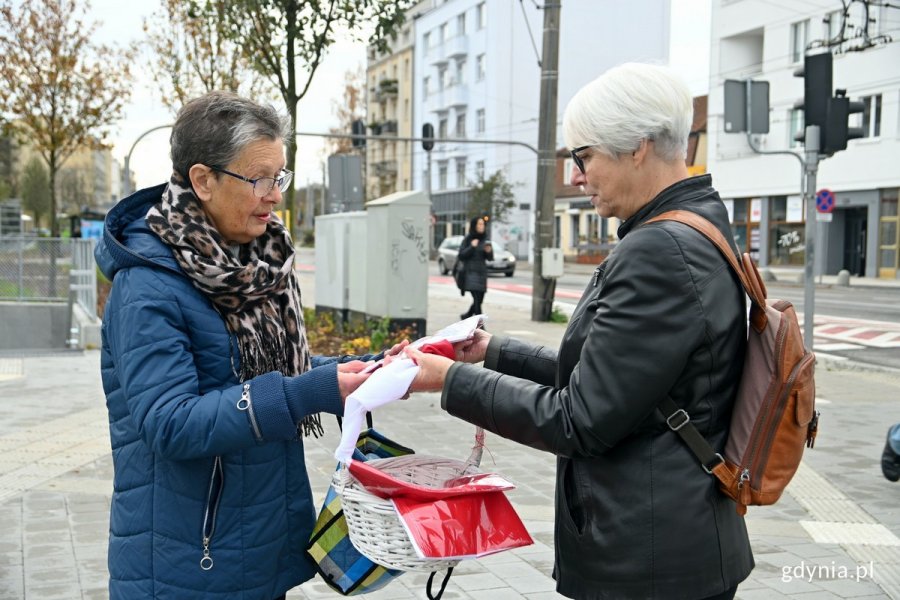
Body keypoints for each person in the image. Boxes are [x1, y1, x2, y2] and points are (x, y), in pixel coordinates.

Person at [407, 63, 754, 600]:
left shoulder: (659, 251)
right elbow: (615, 380)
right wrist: (493, 351)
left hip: (648, 559)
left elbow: (580, 419)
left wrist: (448, 380)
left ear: (637, 146)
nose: (574, 176)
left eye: (583, 156)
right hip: (674, 537)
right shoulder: (696, 227)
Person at [94, 91, 405, 599]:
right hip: (189, 565)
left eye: (279, 177)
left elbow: (282, 369)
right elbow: (169, 422)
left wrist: (375, 368)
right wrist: (307, 394)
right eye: (259, 178)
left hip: (257, 550)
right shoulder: (148, 285)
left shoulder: (252, 266)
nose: (275, 194)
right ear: (203, 180)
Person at [457, 216, 493, 319]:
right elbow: (461, 255)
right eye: (479, 224)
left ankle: (467, 315)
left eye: (483, 224)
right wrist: (471, 247)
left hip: (482, 273)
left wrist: (488, 252)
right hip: (470, 273)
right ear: (474, 226)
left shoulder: (486, 239)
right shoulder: (468, 239)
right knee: (477, 300)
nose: (482, 226)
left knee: (480, 300)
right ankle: (480, 327)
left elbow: (490, 258)